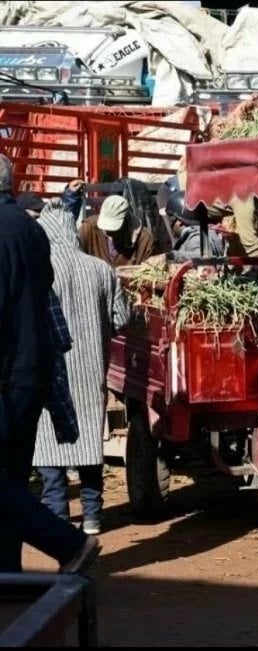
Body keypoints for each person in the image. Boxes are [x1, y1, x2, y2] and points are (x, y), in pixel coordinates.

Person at [0, 155, 100, 574]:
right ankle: (8, 575)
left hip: (6, 374)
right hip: (31, 370)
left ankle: (67, 542)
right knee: (12, 479)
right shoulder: (31, 230)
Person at [33, 198, 131, 536]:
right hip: (92, 373)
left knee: (48, 446)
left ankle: (57, 516)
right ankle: (92, 516)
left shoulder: (40, 271)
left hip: (51, 374)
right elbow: (121, 318)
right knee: (90, 443)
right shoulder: (101, 269)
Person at [79, 195, 158, 268]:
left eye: (113, 228)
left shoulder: (144, 239)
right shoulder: (88, 228)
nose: (107, 231)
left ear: (125, 220)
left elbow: (148, 272)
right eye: (106, 226)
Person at [163, 189, 226, 261]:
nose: (170, 224)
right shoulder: (205, 232)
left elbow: (204, 258)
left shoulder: (196, 237)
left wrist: (171, 256)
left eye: (171, 219)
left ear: (180, 221)